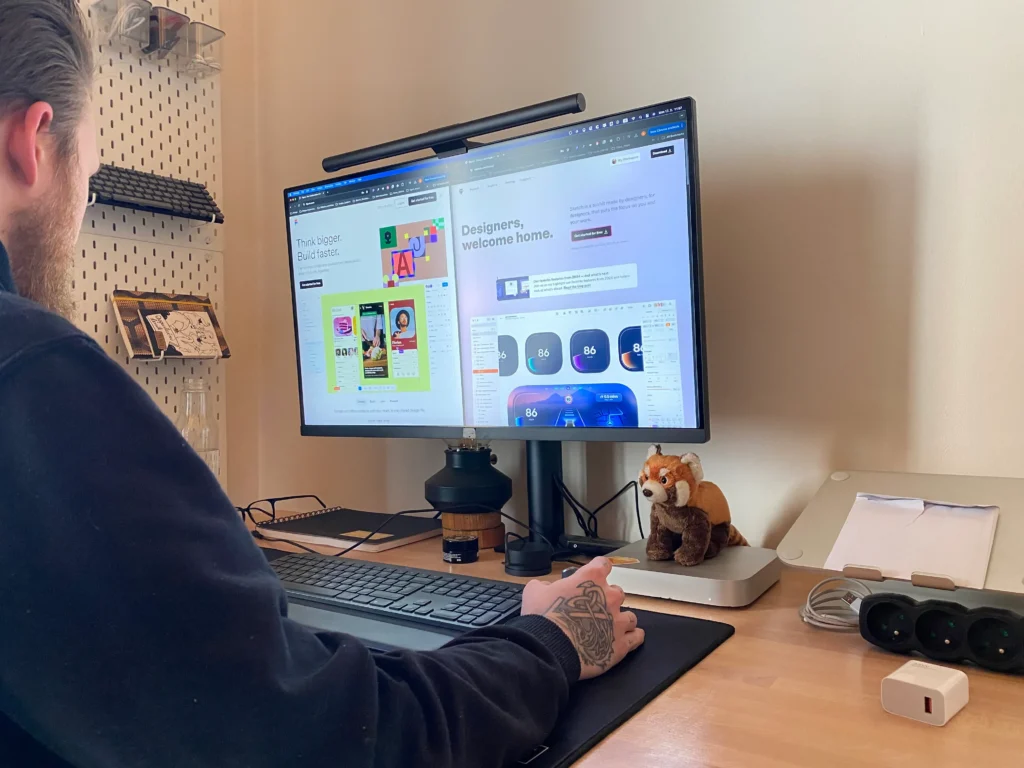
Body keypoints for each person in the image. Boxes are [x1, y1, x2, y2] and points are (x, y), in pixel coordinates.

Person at [0, 3, 644, 768]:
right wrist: (552, 641)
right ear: (32, 141)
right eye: (92, 177)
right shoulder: (32, 374)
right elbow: (344, 745)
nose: (82, 212)